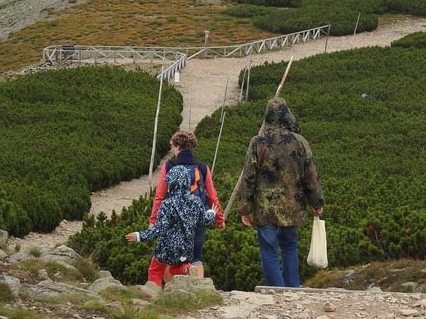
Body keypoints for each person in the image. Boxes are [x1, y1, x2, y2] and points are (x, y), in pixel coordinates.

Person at [237, 97, 324, 288]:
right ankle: (292, 289)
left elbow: (249, 177)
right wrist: (317, 203)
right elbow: (311, 175)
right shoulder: (300, 142)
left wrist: (245, 208)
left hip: (265, 207)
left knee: (268, 250)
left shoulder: (257, 142)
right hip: (293, 206)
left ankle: (275, 290)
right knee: (289, 246)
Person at [149, 130, 225, 280]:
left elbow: (160, 196)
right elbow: (212, 196)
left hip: (174, 219)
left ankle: (174, 294)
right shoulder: (202, 167)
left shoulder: (169, 166)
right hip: (198, 217)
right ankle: (199, 290)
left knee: (169, 257)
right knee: (197, 256)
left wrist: (153, 220)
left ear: (177, 146)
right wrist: (219, 220)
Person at [126, 166, 217, 288]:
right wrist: (211, 213)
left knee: (155, 270)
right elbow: (204, 221)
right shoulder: (196, 202)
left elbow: (159, 228)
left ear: (172, 184)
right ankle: (188, 269)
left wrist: (139, 236)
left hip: (167, 248)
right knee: (176, 268)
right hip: (187, 248)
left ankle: (154, 292)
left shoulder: (167, 204)